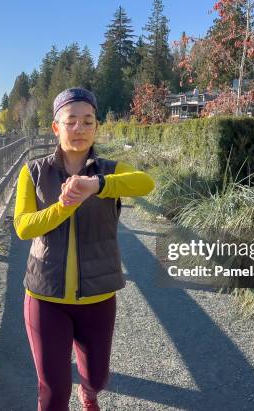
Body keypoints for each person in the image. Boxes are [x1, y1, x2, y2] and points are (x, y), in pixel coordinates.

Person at [13, 87, 155, 411]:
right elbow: (23, 227)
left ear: (96, 126)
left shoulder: (109, 170)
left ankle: (89, 393)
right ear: (56, 127)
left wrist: (97, 186)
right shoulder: (33, 173)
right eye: (71, 121)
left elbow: (146, 183)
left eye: (88, 121)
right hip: (45, 296)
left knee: (97, 376)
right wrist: (63, 207)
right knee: (52, 391)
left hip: (98, 296)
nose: (80, 129)